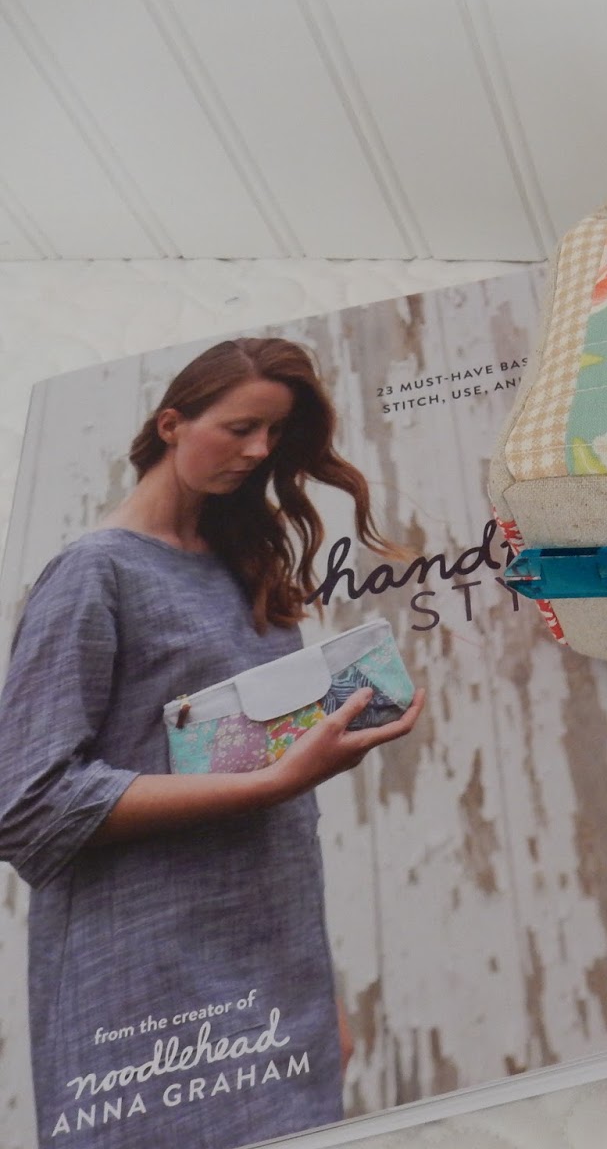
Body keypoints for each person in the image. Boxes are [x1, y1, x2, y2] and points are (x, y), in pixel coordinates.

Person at [0, 338, 425, 1149]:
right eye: (239, 428)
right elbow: (26, 803)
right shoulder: (93, 573)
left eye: (275, 433)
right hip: (142, 979)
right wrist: (276, 782)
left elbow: (261, 787)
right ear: (171, 425)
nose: (260, 451)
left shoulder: (243, 564)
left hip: (273, 964)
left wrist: (319, 992)